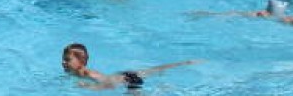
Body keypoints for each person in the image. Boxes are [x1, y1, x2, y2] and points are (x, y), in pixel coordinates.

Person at [61, 43, 197, 91]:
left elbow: (108, 85)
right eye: (63, 59)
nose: (63, 62)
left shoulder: (87, 74)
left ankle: (162, 89)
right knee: (154, 70)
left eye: (67, 60)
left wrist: (91, 88)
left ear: (82, 61)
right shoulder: (79, 74)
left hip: (128, 82)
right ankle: (183, 63)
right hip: (124, 75)